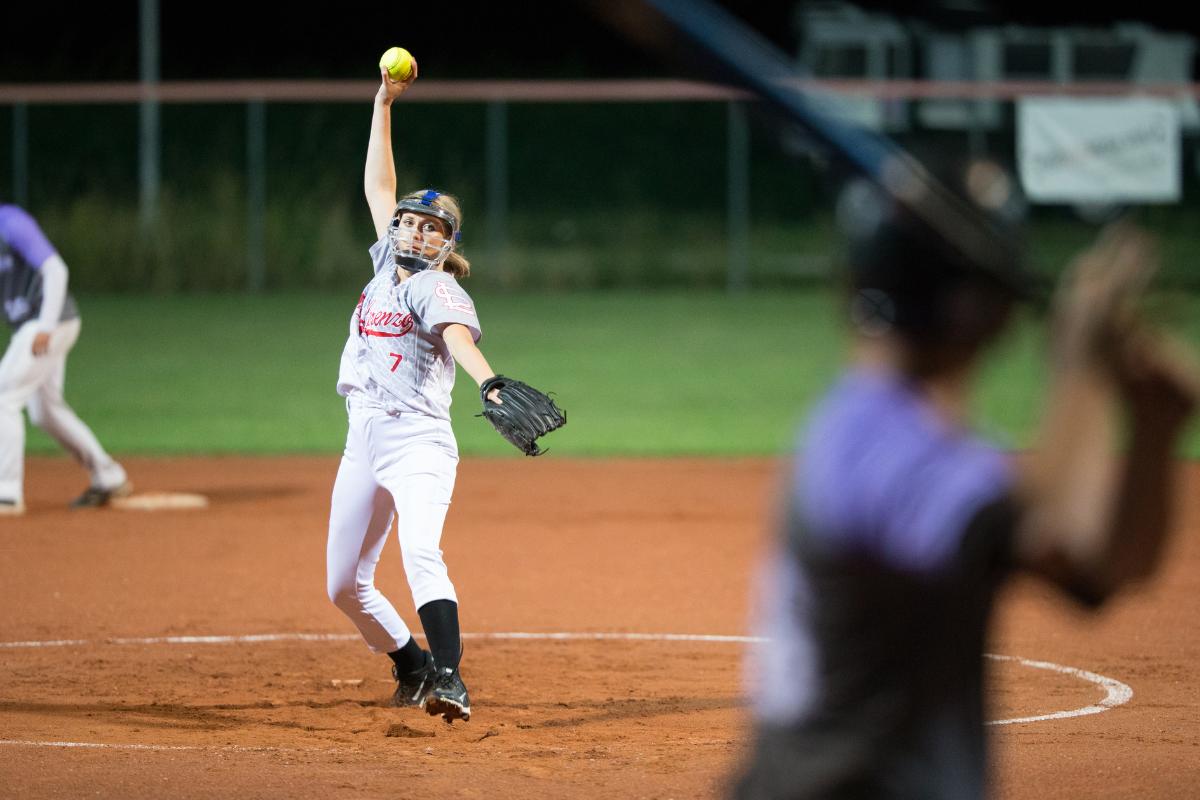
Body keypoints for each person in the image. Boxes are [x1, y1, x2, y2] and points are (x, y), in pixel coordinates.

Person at [731, 160, 1199, 799]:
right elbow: (1060, 534)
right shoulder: (877, 445)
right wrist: (1077, 360)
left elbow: (1102, 572)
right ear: (983, 311)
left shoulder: (921, 447)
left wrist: (1152, 433)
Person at [325, 57, 502, 724]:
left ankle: (450, 678)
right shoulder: (383, 264)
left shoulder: (436, 285)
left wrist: (490, 387)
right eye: (410, 221)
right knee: (343, 583)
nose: (417, 229)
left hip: (418, 440)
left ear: (445, 244)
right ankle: (409, 660)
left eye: (434, 226)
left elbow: (460, 340)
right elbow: (379, 182)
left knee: (420, 551)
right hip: (363, 438)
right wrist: (382, 104)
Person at [0, 202, 131, 516]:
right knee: (45, 412)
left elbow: (56, 269)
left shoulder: (11, 222)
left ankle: (6, 493)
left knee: (3, 397)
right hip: (34, 326)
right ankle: (108, 476)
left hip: (49, 322)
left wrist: (45, 325)